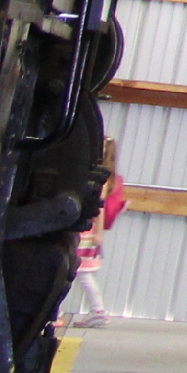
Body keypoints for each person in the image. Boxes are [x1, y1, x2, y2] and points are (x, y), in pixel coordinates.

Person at [59, 139, 124, 329]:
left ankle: (95, 312)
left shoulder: (100, 178)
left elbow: (100, 207)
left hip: (86, 231)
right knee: (79, 273)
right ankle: (97, 312)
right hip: (88, 230)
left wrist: (97, 232)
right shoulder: (104, 176)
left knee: (73, 271)